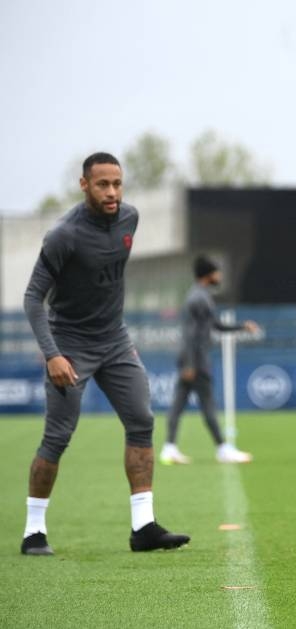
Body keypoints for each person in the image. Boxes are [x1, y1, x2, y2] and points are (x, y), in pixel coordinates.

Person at [21, 152, 189, 555]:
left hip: (115, 341)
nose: (112, 192)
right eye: (102, 184)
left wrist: (115, 334)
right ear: (84, 185)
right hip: (70, 347)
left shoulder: (130, 219)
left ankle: (144, 527)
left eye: (117, 183)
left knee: (142, 420)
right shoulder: (64, 236)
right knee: (58, 437)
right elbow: (32, 299)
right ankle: (33, 532)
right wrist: (52, 354)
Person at [160, 256, 259, 465]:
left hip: (190, 358)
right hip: (196, 359)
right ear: (209, 275)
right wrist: (189, 364)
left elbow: (216, 326)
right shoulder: (199, 298)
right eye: (217, 272)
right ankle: (223, 449)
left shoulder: (199, 296)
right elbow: (190, 333)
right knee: (207, 404)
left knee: (178, 403)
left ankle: (169, 448)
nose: (220, 276)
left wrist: (242, 327)